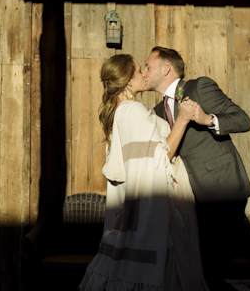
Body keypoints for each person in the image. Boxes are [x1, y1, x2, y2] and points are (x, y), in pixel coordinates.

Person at [79, 54, 209, 291]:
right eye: (140, 70)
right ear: (128, 80)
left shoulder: (126, 111)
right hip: (155, 210)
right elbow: (159, 158)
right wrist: (182, 119)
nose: (144, 74)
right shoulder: (131, 111)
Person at [143, 46, 250, 291]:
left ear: (166, 69)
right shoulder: (157, 112)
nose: (144, 71)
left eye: (148, 66)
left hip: (222, 187)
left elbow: (243, 120)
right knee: (212, 263)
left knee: (215, 266)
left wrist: (207, 119)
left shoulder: (198, 87)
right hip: (191, 198)